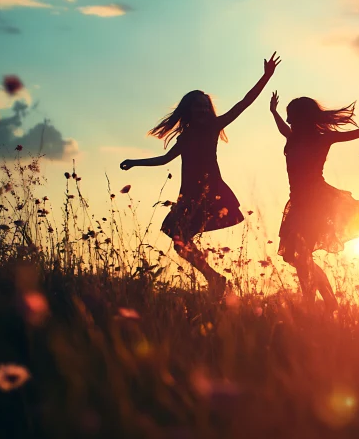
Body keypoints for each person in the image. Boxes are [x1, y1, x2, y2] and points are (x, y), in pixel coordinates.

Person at [120, 53, 281, 296]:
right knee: (178, 241)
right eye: (198, 106)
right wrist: (134, 162)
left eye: (206, 106)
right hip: (189, 193)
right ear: (188, 109)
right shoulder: (185, 137)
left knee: (180, 238)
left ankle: (215, 279)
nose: (203, 109)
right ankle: (215, 279)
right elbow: (165, 159)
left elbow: (244, 103)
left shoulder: (213, 127)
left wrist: (266, 76)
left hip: (209, 190)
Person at [270, 91, 359, 311]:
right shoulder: (292, 136)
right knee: (293, 255)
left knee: (302, 251)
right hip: (297, 201)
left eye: (291, 116)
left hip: (316, 201)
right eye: (287, 116)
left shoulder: (323, 138)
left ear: (304, 118)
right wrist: (273, 112)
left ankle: (311, 301)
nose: (288, 120)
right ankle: (328, 299)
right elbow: (282, 128)